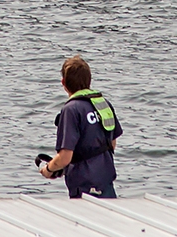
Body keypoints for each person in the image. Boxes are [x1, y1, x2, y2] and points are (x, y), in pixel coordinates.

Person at [38, 55, 122, 199]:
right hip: (106, 182)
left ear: (63, 83)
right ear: (89, 80)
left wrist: (49, 169)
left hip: (84, 185)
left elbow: (65, 158)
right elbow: (112, 143)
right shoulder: (103, 104)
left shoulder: (71, 110)